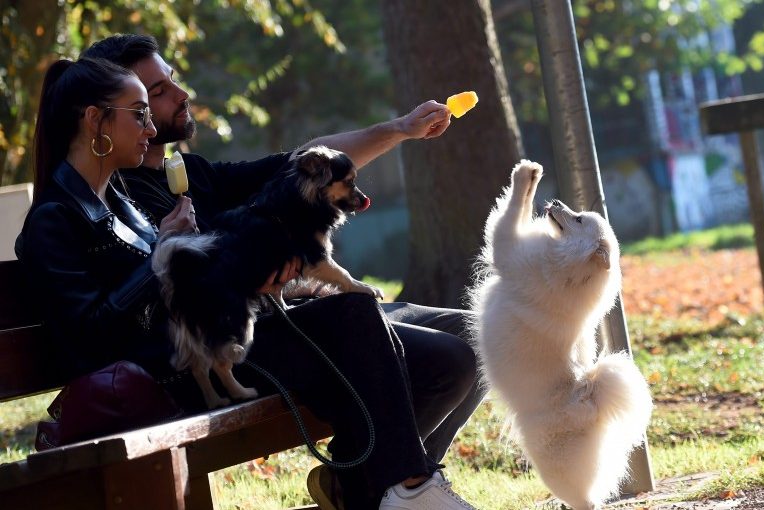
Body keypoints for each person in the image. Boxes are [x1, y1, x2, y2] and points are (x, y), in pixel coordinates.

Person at [20, 36, 483, 510]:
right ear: (95, 119)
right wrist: (169, 252)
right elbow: (89, 339)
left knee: (376, 320)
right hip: (179, 371)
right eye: (139, 110)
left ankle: (383, 488)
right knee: (352, 316)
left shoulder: (119, 200)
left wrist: (400, 128)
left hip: (217, 340)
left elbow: (286, 171)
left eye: (149, 107)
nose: (149, 122)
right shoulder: (56, 219)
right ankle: (405, 486)